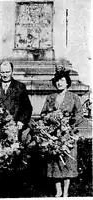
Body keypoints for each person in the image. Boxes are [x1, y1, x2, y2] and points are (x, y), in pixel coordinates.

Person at [41, 66, 84, 197]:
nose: (59, 83)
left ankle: (66, 191)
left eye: (62, 80)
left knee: (67, 161)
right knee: (54, 161)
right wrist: (49, 119)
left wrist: (70, 123)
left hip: (68, 134)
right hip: (52, 134)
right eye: (57, 81)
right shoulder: (50, 97)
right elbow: (43, 113)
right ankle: (58, 190)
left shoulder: (74, 97)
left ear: (67, 82)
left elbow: (80, 114)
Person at [0, 60, 33, 130]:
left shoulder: (20, 87)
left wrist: (21, 121)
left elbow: (27, 108)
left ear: (12, 71)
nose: (5, 75)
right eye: (2, 72)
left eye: (7, 72)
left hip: (15, 125)